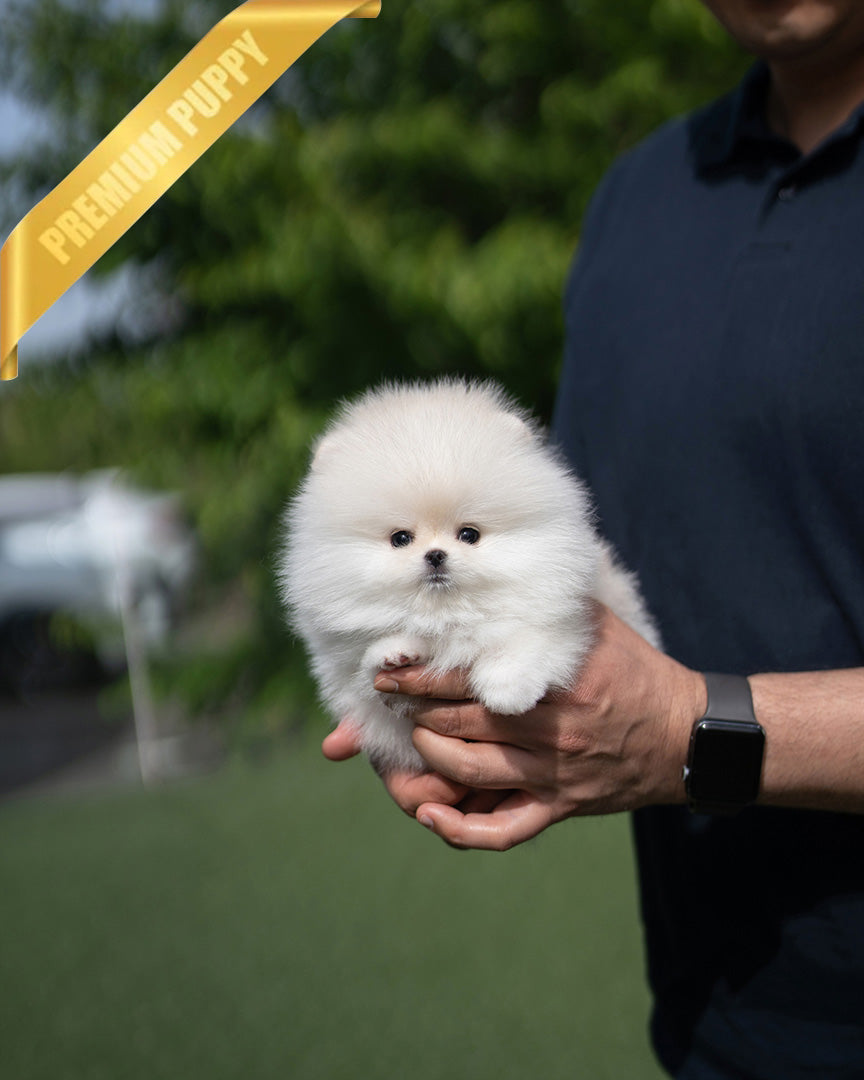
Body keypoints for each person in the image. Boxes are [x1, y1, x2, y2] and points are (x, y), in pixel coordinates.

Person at [322, 1, 864, 1076]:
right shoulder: (638, 200)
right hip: (720, 1014)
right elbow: (564, 562)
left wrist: (691, 731)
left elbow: (664, 720)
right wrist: (437, 701)